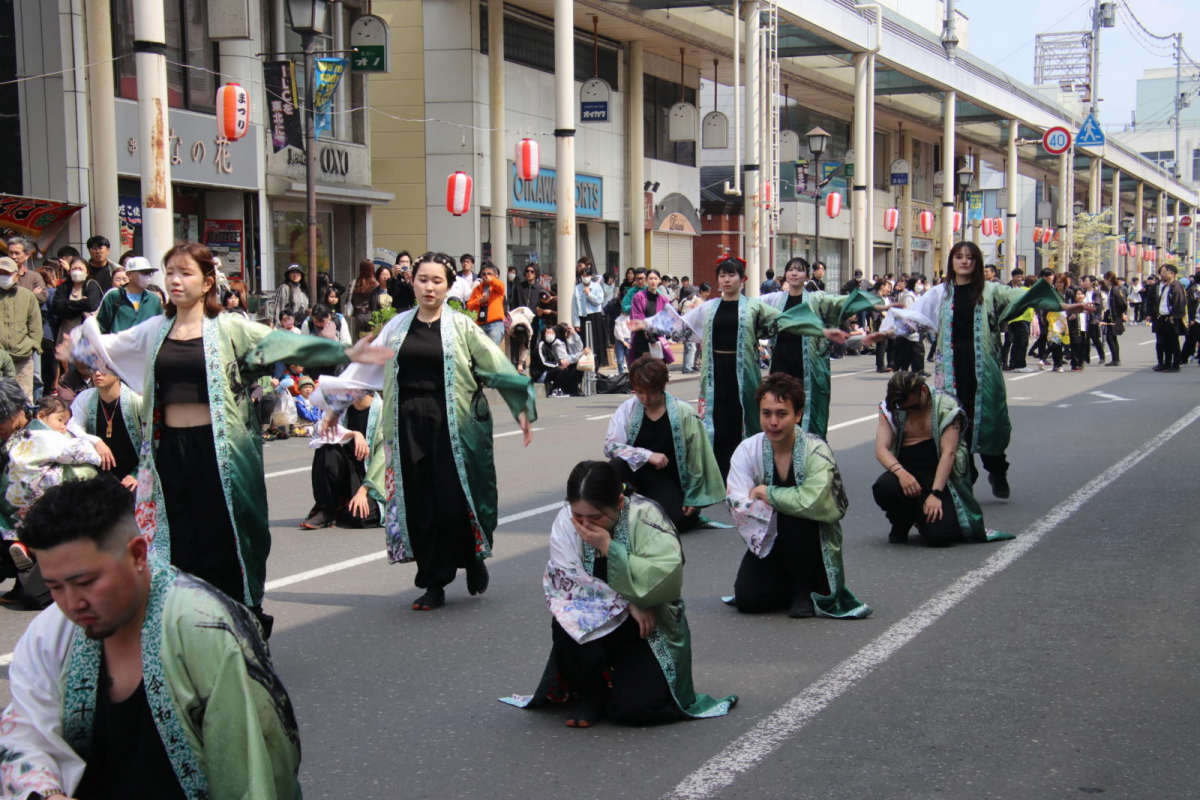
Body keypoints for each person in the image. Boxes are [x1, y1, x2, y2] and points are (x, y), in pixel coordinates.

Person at [62, 242, 389, 633]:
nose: (175, 281)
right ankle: (192, 628)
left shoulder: (229, 327)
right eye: (170, 273)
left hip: (220, 451)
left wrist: (345, 349)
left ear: (207, 282)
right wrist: (78, 347)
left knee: (226, 536)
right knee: (179, 539)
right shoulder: (155, 329)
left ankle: (241, 619)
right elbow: (108, 349)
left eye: (185, 273)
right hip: (169, 452)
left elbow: (281, 343)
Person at [0, 476, 302, 800]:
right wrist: (47, 794)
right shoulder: (50, 633)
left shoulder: (206, 629)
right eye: (55, 587)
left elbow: (253, 776)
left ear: (137, 554)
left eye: (86, 581)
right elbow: (26, 732)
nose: (73, 603)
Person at [314, 252, 536, 611]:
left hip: (452, 422)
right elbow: (362, 369)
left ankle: (471, 557)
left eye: (437, 281)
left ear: (449, 286)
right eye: (422, 279)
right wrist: (333, 408)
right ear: (412, 282)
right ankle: (434, 581)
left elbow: (497, 367)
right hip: (406, 420)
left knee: (453, 499)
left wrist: (522, 408)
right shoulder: (397, 326)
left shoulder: (461, 326)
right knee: (418, 501)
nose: (429, 287)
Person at [500, 460, 737, 727]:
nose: (585, 525)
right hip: (596, 620)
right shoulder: (566, 521)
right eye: (579, 516)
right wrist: (627, 602)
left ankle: (619, 683)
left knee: (639, 710)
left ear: (620, 503)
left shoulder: (646, 515)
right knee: (564, 619)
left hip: (645, 627)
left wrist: (609, 547)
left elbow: (667, 575)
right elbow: (565, 583)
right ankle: (591, 693)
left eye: (596, 517)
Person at [871, 242, 1090, 498]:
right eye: (959, 257)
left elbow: (1024, 297)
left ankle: (997, 470)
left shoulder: (990, 291)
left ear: (977, 263)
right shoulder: (940, 293)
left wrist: (1065, 307)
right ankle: (966, 477)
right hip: (951, 371)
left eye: (970, 258)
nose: (964, 262)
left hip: (984, 370)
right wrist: (883, 334)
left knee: (990, 424)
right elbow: (915, 319)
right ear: (952, 262)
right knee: (953, 423)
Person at [635, 257, 847, 480]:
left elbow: (784, 321)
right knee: (716, 420)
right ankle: (717, 472)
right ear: (717, 280)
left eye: (732, 275)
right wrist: (647, 323)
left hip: (743, 374)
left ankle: (748, 470)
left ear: (742, 279)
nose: (727, 280)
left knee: (744, 419)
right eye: (722, 275)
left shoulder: (754, 306)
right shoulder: (709, 307)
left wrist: (822, 331)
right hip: (714, 374)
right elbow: (681, 325)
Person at [726, 374, 870, 619]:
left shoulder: (816, 450)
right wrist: (774, 503)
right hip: (768, 540)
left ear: (798, 415)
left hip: (809, 543)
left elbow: (815, 502)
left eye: (782, 414)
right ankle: (785, 584)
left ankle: (806, 588)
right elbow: (737, 501)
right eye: (766, 413)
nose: (773, 422)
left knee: (794, 515)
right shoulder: (748, 449)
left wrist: (766, 492)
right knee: (748, 599)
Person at [872, 371, 1013, 546]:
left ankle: (926, 517)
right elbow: (881, 449)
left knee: (940, 537)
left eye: (912, 406)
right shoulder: (892, 407)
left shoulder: (947, 405)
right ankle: (902, 521)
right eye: (903, 407)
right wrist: (901, 473)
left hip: (940, 475)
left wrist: (935, 494)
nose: (907, 410)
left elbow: (948, 453)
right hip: (907, 470)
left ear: (923, 390)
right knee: (884, 487)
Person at [759, 257, 878, 438]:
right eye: (790, 269)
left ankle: (808, 451)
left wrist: (873, 302)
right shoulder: (775, 299)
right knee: (780, 406)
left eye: (798, 270)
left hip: (807, 365)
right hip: (781, 361)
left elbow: (841, 302)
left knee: (805, 409)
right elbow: (752, 308)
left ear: (806, 275)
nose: (793, 273)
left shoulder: (816, 298)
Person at [604, 356, 725, 532]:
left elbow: (696, 458)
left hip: (668, 478)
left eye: (651, 391)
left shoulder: (683, 412)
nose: (645, 398)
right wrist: (647, 455)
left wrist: (692, 498)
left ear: (662, 386)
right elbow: (611, 447)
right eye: (639, 391)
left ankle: (645, 516)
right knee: (615, 466)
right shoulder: (627, 409)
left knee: (676, 522)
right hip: (636, 476)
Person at [303, 391, 382, 529]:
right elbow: (321, 429)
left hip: (373, 479)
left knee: (359, 517)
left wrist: (363, 491)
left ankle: (343, 506)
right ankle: (326, 509)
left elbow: (385, 456)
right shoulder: (342, 409)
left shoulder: (383, 411)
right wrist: (353, 433)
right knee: (326, 446)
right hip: (349, 472)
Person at [67, 367, 143, 491]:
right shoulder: (86, 397)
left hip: (134, 475)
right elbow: (71, 426)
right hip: (99, 476)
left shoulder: (136, 400)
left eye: (104, 369)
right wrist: (96, 441)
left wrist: (138, 474)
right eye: (94, 369)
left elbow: (152, 443)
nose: (97, 373)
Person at [0, 256, 42, 400]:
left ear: (16, 275)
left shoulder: (27, 296)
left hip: (22, 357)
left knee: (25, 398)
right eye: (0, 273)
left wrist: (32, 345)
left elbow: (35, 324)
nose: (3, 276)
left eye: (7, 273)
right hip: (0, 358)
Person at [96, 256, 164, 334]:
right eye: (144, 272)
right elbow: (101, 327)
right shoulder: (114, 296)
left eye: (150, 273)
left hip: (146, 345)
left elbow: (160, 328)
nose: (148, 276)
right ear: (130, 275)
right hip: (118, 345)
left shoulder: (154, 299)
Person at [50, 256, 103, 349]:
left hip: (86, 333)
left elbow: (91, 305)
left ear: (87, 272)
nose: (77, 271)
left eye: (80, 269)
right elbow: (57, 307)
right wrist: (81, 304)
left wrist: (66, 303)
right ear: (69, 271)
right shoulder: (64, 286)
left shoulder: (91, 285)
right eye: (74, 268)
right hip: (66, 332)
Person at [629, 270, 675, 363]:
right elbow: (637, 316)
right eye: (650, 279)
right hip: (642, 336)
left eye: (655, 278)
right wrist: (648, 332)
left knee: (657, 367)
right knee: (642, 367)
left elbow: (667, 319)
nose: (653, 281)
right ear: (646, 280)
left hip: (657, 337)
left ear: (659, 280)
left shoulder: (664, 300)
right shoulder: (639, 297)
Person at [1150, 263, 1186, 372]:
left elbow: (1179, 303)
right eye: (1162, 272)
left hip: (1170, 318)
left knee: (1173, 342)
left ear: (1172, 273)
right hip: (1162, 318)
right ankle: (1166, 363)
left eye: (1165, 272)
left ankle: (1175, 365)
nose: (1163, 274)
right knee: (1164, 342)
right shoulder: (1166, 286)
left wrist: (1173, 316)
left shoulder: (1176, 286)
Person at [572, 265, 609, 367]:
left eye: (587, 275)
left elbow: (599, 301)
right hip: (583, 317)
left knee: (597, 341)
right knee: (583, 341)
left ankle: (597, 364)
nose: (585, 277)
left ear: (591, 276)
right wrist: (576, 323)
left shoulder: (597, 287)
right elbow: (575, 307)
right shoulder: (577, 288)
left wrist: (589, 294)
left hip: (595, 316)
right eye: (583, 275)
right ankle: (584, 364)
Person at [539, 323, 588, 397]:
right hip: (554, 369)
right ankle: (569, 388)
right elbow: (565, 359)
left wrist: (574, 333)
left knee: (579, 362)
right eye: (568, 332)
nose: (569, 334)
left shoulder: (565, 342)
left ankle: (573, 388)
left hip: (562, 365)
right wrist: (581, 354)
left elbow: (578, 348)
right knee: (574, 364)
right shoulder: (558, 344)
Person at [467, 262, 507, 346]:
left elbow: (500, 286)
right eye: (484, 274)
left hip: (495, 324)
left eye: (489, 274)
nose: (486, 276)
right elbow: (469, 306)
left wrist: (492, 280)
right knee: (480, 351)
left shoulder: (498, 287)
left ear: (496, 275)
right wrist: (479, 301)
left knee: (492, 350)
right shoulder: (477, 288)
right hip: (479, 324)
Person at [346, 259, 383, 340]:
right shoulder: (375, 284)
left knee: (360, 340)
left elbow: (349, 299)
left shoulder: (354, 283)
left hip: (359, 315)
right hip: (371, 314)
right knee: (373, 339)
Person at [1102, 271, 1128, 367]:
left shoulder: (1115, 289)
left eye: (1105, 279)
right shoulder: (1112, 289)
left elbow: (1122, 303)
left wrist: (1119, 313)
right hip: (1110, 315)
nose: (1104, 281)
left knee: (1111, 337)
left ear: (1109, 279)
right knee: (1111, 338)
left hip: (1114, 316)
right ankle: (1115, 359)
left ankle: (1116, 359)